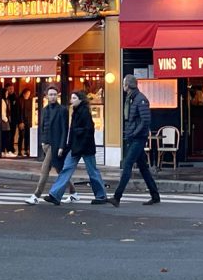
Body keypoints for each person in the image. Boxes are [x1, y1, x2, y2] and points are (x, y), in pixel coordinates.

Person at [46, 90, 109, 205]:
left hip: (84, 147)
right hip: (76, 147)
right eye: (71, 98)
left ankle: (101, 196)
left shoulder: (84, 112)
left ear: (80, 99)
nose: (71, 100)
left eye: (74, 98)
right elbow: (74, 131)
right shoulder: (76, 111)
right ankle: (55, 194)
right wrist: (69, 145)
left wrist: (77, 136)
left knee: (91, 171)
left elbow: (89, 130)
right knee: (67, 168)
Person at [108, 74, 160, 207]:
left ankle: (117, 197)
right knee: (143, 168)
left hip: (138, 138)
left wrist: (134, 133)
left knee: (127, 165)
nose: (123, 86)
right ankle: (155, 196)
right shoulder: (132, 99)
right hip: (133, 137)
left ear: (128, 85)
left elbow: (145, 120)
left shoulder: (140, 99)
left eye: (124, 83)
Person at [25, 86, 77, 205]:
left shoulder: (62, 110)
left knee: (44, 170)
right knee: (60, 170)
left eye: (54, 94)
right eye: (51, 94)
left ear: (57, 95)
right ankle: (73, 192)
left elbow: (65, 129)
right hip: (46, 144)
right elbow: (43, 126)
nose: (53, 96)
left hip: (55, 144)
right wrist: (42, 142)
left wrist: (61, 146)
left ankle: (36, 195)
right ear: (47, 96)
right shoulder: (44, 109)